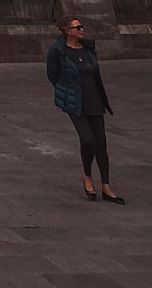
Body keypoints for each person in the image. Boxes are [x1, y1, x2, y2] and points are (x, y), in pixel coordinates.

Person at [46, 15, 124, 203]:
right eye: (77, 27)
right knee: (87, 140)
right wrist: (67, 90)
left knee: (101, 143)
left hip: (95, 100)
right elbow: (52, 75)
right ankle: (87, 176)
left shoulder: (88, 49)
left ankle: (106, 186)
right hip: (75, 103)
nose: (81, 30)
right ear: (67, 31)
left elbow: (96, 75)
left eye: (81, 26)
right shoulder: (58, 51)